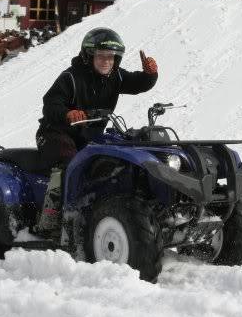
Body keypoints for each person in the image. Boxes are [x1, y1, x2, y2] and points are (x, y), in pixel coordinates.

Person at [33, 27, 158, 235]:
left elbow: (138, 84)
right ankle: (51, 218)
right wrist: (68, 113)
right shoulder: (71, 77)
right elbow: (50, 104)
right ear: (88, 55)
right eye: (100, 56)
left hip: (87, 137)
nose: (106, 61)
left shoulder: (115, 76)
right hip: (55, 134)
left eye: (111, 57)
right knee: (69, 160)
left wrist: (150, 75)